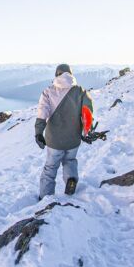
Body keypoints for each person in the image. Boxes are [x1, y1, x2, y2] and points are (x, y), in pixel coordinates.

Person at [35, 64, 93, 200]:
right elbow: (87, 113)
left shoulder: (48, 91)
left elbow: (42, 112)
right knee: (70, 160)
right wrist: (86, 132)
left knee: (50, 168)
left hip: (54, 139)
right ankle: (71, 180)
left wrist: (38, 132)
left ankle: (45, 197)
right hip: (73, 138)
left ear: (57, 74)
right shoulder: (81, 91)